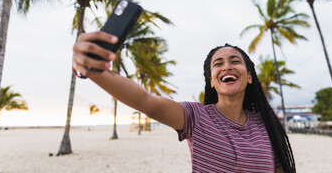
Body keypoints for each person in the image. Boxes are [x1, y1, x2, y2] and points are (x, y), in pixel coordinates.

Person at [72, 32, 296, 173]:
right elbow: (146, 101)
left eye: (235, 61)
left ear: (249, 77)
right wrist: (92, 70)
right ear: (212, 81)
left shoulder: (265, 125)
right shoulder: (196, 117)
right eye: (218, 64)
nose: (226, 66)